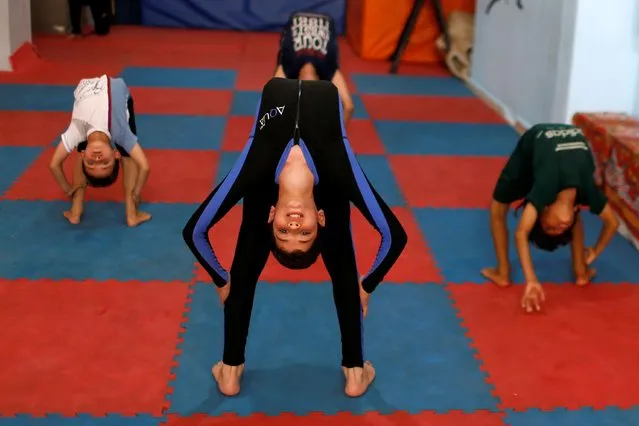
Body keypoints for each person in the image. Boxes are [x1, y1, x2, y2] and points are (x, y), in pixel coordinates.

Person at [182, 78, 407, 398]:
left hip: (269, 173)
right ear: (318, 220)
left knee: (254, 215)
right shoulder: (338, 168)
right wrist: (365, 286)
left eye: (285, 231)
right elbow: (394, 235)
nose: (294, 224)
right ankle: (354, 372)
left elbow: (194, 229)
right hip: (325, 179)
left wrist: (222, 280)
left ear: (273, 217)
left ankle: (230, 370)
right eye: (304, 233)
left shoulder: (255, 169)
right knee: (337, 219)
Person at [481, 124, 619, 312]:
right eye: (559, 230)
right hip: (536, 154)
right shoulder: (584, 192)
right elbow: (613, 223)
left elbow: (521, 233)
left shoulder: (544, 190)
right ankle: (504, 271)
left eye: (551, 228)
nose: (561, 227)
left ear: (543, 209)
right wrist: (595, 251)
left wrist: (595, 251)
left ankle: (579, 271)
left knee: (499, 207)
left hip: (537, 149)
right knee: (500, 208)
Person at [48, 75, 151, 227]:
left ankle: (76, 210)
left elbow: (54, 164)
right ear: (116, 154)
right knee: (128, 156)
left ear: (84, 157)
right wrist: (136, 192)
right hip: (118, 91)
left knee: (83, 142)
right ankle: (132, 214)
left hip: (86, 92)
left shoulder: (76, 131)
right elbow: (145, 166)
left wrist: (68, 189)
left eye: (91, 163)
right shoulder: (121, 133)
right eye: (105, 163)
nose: (97, 159)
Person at [274, 11, 355, 122]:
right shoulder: (328, 69)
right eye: (310, 87)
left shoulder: (289, 67)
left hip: (301, 18)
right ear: (318, 79)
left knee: (275, 89)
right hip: (318, 19)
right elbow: (349, 106)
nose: (308, 85)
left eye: (306, 87)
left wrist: (336, 137)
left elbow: (349, 107)